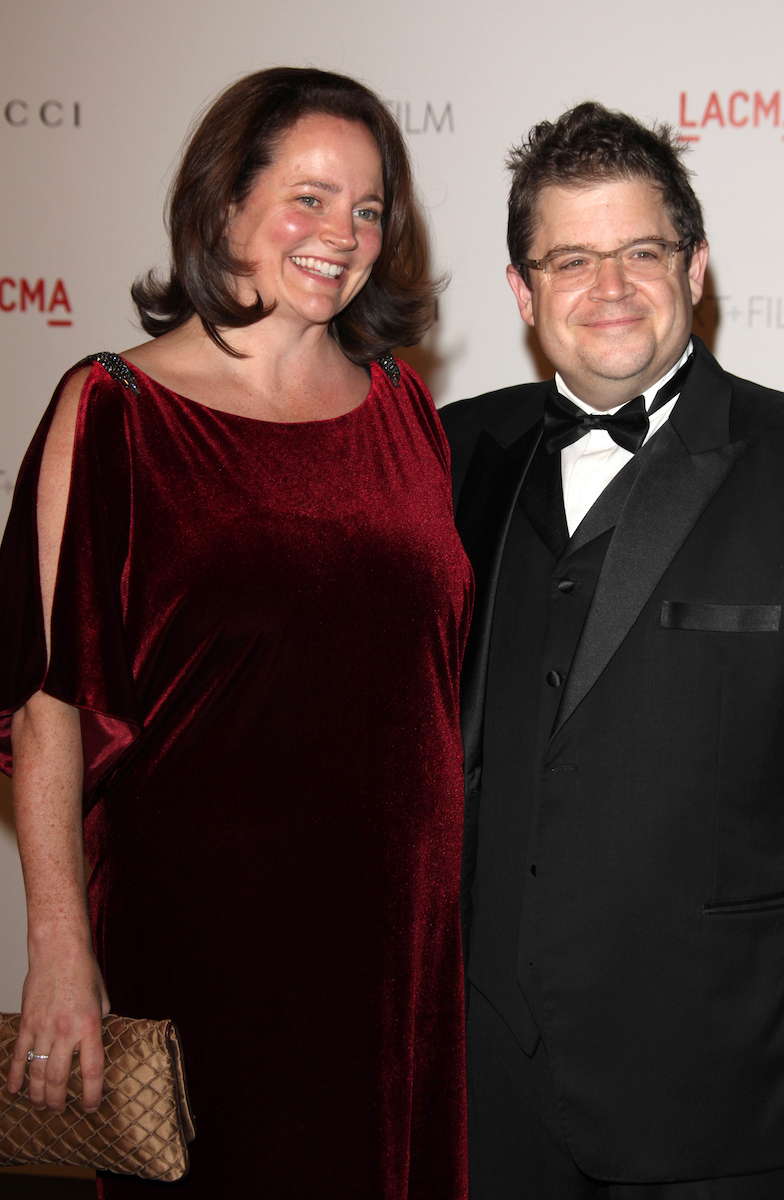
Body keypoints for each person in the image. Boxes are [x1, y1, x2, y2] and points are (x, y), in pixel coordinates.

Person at [0, 67, 472, 1199]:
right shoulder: (114, 409)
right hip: (208, 935)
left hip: (403, 937)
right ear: (223, 208)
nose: (341, 234)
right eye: (307, 197)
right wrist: (59, 942)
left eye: (367, 209)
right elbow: (45, 700)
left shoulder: (403, 406)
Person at [439, 101, 784, 1198]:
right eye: (568, 259)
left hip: (718, 1074)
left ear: (692, 268)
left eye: (639, 251)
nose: (606, 289)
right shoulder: (445, 451)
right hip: (482, 1079)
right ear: (520, 290)